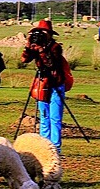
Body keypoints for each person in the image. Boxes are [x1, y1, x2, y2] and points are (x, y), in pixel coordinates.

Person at [20, 19, 67, 153]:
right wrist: (29, 46)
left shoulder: (55, 47)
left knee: (55, 118)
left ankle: (55, 148)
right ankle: (44, 145)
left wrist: (42, 50)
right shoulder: (36, 45)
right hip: (42, 84)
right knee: (44, 115)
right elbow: (24, 60)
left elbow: (51, 64)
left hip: (55, 84)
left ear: (50, 34)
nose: (41, 34)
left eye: (44, 32)